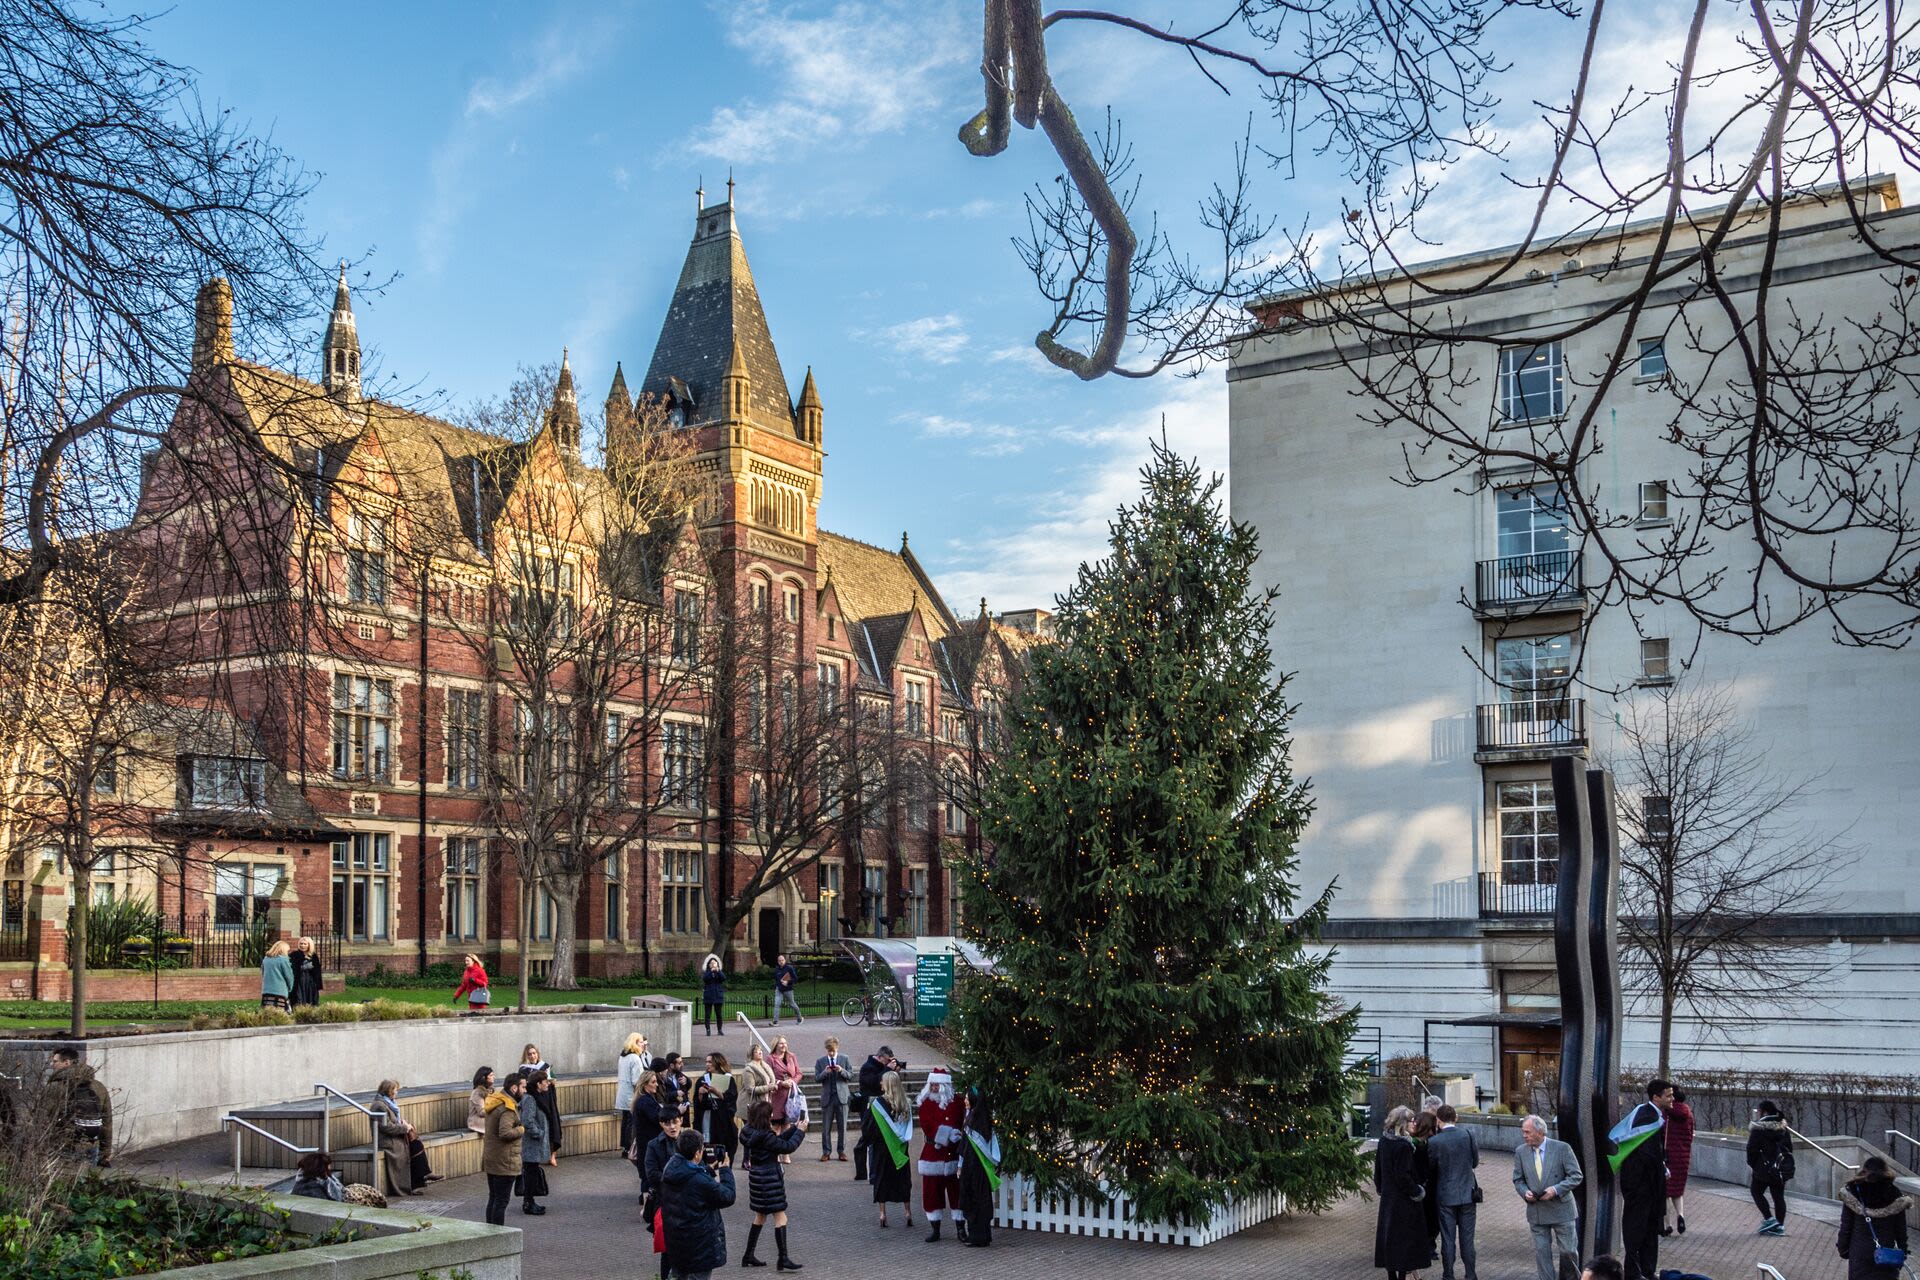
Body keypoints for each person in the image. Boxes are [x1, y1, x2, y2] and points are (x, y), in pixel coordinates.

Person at [739, 1098, 809, 1270]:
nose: (772, 1115)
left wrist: (793, 1128)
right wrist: (800, 1132)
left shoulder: (750, 1132)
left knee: (760, 1216)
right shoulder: (766, 1136)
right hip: (769, 1179)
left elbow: (777, 1142)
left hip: (757, 1179)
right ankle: (782, 1258)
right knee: (780, 1216)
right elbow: (787, 1147)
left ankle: (748, 1255)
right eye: (770, 1113)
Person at [1512, 1114, 1582, 1280]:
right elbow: (1518, 1179)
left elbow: (1576, 1176)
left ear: (1540, 1132)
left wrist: (1556, 1190)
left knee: (1568, 1252)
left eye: (1527, 1132)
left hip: (1562, 1210)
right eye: (1523, 1132)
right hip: (1537, 1211)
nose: (1524, 1135)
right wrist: (1524, 1192)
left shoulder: (1562, 1148)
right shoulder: (1520, 1152)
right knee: (1542, 1253)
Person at [661, 1128, 737, 1280]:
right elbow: (727, 1196)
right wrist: (725, 1171)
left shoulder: (670, 1168)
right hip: (699, 1248)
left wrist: (706, 1170)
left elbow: (690, 1178)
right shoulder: (699, 1180)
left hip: (677, 1243)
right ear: (697, 1153)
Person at [1614, 1078, 1670, 1280]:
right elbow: (1645, 1153)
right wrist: (1660, 1168)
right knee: (1637, 1228)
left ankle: (1647, 1270)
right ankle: (1633, 1271)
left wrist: (1663, 1165)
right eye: (1668, 1095)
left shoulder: (1653, 1115)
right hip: (1640, 1186)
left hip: (1649, 1185)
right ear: (1656, 1097)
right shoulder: (1645, 1117)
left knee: (1650, 1228)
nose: (1672, 1099)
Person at [1374, 1106, 1431, 1280]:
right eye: (1412, 1121)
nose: (1415, 1124)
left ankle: (1392, 1276)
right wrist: (1417, 1191)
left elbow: (1378, 1170)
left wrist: (1381, 1188)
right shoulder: (1404, 1146)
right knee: (1404, 1243)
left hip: (1388, 1198)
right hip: (1403, 1201)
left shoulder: (1384, 1141)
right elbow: (1403, 1176)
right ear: (1403, 1124)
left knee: (1390, 1240)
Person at [1427, 1103, 1480, 1280]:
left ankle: (1448, 1275)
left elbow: (1431, 1168)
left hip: (1445, 1196)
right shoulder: (1468, 1135)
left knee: (1448, 1239)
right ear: (1455, 1118)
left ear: (1438, 1120)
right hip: (1468, 1194)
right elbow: (1474, 1163)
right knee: (1467, 1239)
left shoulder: (1434, 1141)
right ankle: (1471, 1274)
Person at [1838, 1155, 1912, 1279]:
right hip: (1886, 1254)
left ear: (1864, 1170)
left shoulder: (1853, 1191)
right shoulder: (1894, 1193)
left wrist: (1843, 1249)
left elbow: (1846, 1226)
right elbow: (1900, 1230)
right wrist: (1903, 1252)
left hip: (1859, 1253)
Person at [917, 1067, 967, 1242]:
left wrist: (958, 1134)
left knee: (957, 1192)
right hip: (933, 1154)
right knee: (932, 1193)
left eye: (936, 1085)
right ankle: (935, 1229)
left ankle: (961, 1229)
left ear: (945, 1086)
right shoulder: (925, 1103)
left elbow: (962, 1121)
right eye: (932, 1085)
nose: (933, 1088)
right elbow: (927, 1126)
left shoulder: (958, 1102)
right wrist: (947, 1134)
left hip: (953, 1154)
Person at [46, 1047, 111, 1167]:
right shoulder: (99, 1087)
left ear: (67, 1063)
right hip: (91, 1144)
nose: (51, 1065)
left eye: (55, 1061)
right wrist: (105, 1153)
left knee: (64, 1177)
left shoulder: (55, 1087)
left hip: (63, 1145)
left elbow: (43, 1118)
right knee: (86, 1176)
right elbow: (106, 1122)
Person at [373, 1078, 437, 1196]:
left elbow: (392, 1122)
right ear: (388, 1090)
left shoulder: (388, 1102)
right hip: (387, 1140)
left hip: (394, 1136)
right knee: (409, 1149)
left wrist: (403, 1123)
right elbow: (386, 1127)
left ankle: (422, 1176)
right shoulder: (379, 1106)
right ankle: (416, 1181)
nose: (397, 1092)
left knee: (416, 1144)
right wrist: (404, 1128)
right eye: (395, 1090)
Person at [480, 1073, 527, 1226]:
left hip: (492, 1158)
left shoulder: (495, 1101)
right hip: (505, 1161)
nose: (525, 1090)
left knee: (493, 1197)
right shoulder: (507, 1108)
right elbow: (505, 1133)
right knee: (501, 1201)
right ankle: (498, 1234)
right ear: (514, 1088)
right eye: (523, 1087)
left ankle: (490, 1232)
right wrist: (521, 1129)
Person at [870, 1070, 915, 1228]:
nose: (880, 1083)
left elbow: (872, 1129)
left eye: (882, 1081)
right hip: (901, 1149)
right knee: (903, 1179)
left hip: (883, 1148)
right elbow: (907, 1129)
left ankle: (882, 1214)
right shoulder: (906, 1103)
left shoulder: (877, 1104)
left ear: (887, 1084)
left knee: (882, 1179)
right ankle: (907, 1212)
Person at [643, 1111, 685, 1280]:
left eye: (675, 1122)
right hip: (665, 1203)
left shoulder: (688, 1141)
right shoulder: (654, 1145)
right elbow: (651, 1174)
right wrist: (677, 1179)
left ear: (681, 1120)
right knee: (667, 1250)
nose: (672, 1127)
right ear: (661, 1124)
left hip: (686, 1202)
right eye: (667, 1123)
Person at [853, 1044, 904, 1182]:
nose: (888, 1063)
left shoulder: (882, 1066)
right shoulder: (867, 1067)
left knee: (882, 1140)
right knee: (871, 1140)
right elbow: (875, 1083)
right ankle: (873, 1175)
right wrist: (887, 1069)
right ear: (880, 1057)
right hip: (869, 1108)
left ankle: (881, 1172)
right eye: (887, 1060)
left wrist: (895, 1072)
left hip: (883, 1106)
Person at [956, 1087, 998, 1247]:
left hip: (974, 1167)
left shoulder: (973, 1121)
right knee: (981, 1200)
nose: (965, 1101)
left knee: (974, 1200)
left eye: (967, 1098)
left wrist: (961, 1166)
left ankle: (977, 1236)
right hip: (978, 1167)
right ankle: (982, 1235)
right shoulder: (981, 1118)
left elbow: (965, 1146)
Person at [1746, 1097, 1794, 1236]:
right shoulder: (1782, 1128)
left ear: (1764, 1112)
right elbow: (1789, 1147)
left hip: (1763, 1168)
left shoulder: (1758, 1129)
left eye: (1759, 1111)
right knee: (1778, 1196)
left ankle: (1769, 1219)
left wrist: (1754, 1165)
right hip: (1780, 1168)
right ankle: (1780, 1226)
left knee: (1756, 1191)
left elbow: (1751, 1150)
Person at [517, 1069, 552, 1215]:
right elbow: (527, 1121)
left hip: (534, 1144)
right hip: (532, 1144)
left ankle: (529, 1201)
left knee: (531, 1172)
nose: (548, 1084)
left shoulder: (536, 1097)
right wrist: (540, 1133)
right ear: (538, 1084)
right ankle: (528, 1203)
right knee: (530, 1173)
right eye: (545, 1081)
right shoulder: (531, 1099)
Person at [695, 1051, 740, 1165]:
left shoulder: (728, 1079)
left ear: (718, 1063)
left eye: (710, 1062)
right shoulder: (702, 1080)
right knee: (708, 1152)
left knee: (724, 1151)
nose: (707, 1064)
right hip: (707, 1119)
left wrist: (716, 1092)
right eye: (706, 1062)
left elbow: (731, 1099)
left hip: (723, 1122)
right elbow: (698, 1105)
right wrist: (700, 1094)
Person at [630, 1070, 669, 1201]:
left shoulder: (645, 1100)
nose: (656, 1084)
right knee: (648, 1173)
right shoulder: (645, 1101)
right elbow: (657, 1118)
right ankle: (647, 1203)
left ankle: (647, 1199)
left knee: (647, 1172)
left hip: (645, 1141)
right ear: (645, 1084)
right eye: (653, 1082)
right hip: (647, 1142)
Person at [521, 1043, 562, 1163]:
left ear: (537, 1054)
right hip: (535, 1098)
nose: (532, 1056)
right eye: (529, 1054)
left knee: (553, 1124)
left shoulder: (545, 1066)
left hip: (548, 1097)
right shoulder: (523, 1069)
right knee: (541, 1125)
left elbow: (553, 1080)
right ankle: (541, 1154)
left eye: (534, 1053)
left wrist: (551, 1080)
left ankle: (553, 1154)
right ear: (526, 1056)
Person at [1662, 1086, 1694, 1237]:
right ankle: (1680, 1215)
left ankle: (1667, 1224)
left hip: (1668, 1156)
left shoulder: (1667, 1113)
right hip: (1683, 1156)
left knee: (1665, 1191)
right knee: (1678, 1190)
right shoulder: (1688, 1114)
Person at [814, 1036, 852, 1162]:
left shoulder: (845, 1058)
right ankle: (826, 1152)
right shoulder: (820, 1061)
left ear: (837, 1048)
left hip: (842, 1097)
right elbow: (817, 1078)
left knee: (842, 1127)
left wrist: (841, 1070)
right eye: (829, 1051)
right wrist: (825, 1072)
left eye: (833, 1051)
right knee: (826, 1128)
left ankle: (841, 1151)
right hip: (827, 1098)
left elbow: (850, 1075)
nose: (831, 1053)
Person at [618, 1032, 653, 1154]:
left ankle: (624, 1147)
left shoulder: (623, 1056)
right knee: (631, 1122)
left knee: (625, 1121)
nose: (643, 1045)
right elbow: (636, 1080)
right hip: (631, 1095)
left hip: (623, 1094)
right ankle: (630, 1148)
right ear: (635, 1043)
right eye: (641, 1042)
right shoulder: (635, 1058)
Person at [742, 1043, 776, 1118]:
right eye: (756, 1051)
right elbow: (750, 1089)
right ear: (751, 1054)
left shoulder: (765, 1066)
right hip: (754, 1104)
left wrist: (773, 1086)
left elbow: (769, 1081)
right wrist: (768, 1088)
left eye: (761, 1050)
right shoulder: (748, 1069)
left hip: (765, 1102)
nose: (760, 1052)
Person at [289, 936, 323, 1007]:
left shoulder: (314, 956)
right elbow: (292, 968)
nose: (302, 945)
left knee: (311, 1000)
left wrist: (312, 967)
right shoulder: (294, 955)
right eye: (301, 944)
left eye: (305, 944)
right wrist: (302, 967)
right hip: (299, 981)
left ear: (309, 945)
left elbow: (317, 971)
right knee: (299, 1000)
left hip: (310, 982)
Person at [260, 939, 294, 1011]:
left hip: (266, 990)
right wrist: (290, 988)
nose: (287, 952)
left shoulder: (266, 959)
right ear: (283, 950)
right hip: (280, 990)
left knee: (268, 1011)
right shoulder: (284, 960)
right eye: (287, 950)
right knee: (281, 1011)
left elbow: (263, 973)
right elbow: (289, 976)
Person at [771, 953, 803, 1025]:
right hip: (779, 989)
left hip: (788, 989)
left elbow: (795, 978)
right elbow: (776, 979)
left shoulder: (789, 968)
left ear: (785, 960)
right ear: (778, 962)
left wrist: (788, 982)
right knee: (777, 1004)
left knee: (792, 1004)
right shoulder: (777, 969)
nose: (781, 962)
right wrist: (776, 986)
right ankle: (775, 1021)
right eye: (779, 961)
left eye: (782, 960)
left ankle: (799, 1018)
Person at [701, 955, 726, 1036]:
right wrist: (711, 971)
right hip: (708, 995)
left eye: (714, 963)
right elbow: (705, 979)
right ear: (709, 965)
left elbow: (723, 978)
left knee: (719, 1014)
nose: (713, 964)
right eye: (711, 963)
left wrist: (718, 970)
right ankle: (708, 1030)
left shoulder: (719, 972)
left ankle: (720, 1030)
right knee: (707, 1014)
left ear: (717, 964)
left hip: (718, 995)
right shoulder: (707, 972)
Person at [467, 1066, 494, 1134]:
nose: (494, 1077)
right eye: (491, 1075)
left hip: (486, 1120)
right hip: (477, 1123)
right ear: (484, 1078)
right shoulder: (477, 1092)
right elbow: (481, 1112)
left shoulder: (489, 1090)